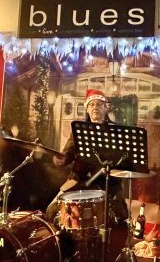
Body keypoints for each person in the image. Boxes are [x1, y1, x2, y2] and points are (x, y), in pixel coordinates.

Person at [46, 90, 128, 226]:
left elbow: (123, 160)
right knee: (52, 211)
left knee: (121, 216)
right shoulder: (78, 130)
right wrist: (62, 159)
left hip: (108, 182)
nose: (95, 107)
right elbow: (68, 153)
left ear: (106, 108)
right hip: (78, 180)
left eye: (99, 104)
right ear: (87, 109)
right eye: (91, 105)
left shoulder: (115, 131)